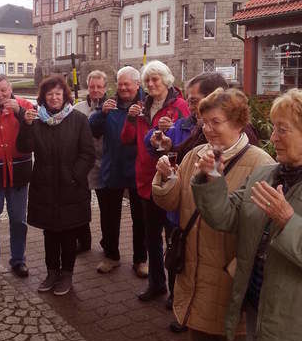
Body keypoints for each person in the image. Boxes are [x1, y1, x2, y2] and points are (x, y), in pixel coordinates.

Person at [153, 88, 274, 341]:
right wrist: (166, 177)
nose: (207, 128)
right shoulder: (194, 155)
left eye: (216, 122)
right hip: (195, 271)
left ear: (238, 123)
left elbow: (261, 228)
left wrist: (240, 268)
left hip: (231, 277)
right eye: (203, 121)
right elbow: (174, 201)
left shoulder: (261, 165)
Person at [191, 88, 302, 341]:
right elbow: (225, 216)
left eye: (283, 129)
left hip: (297, 321)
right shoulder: (267, 175)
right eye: (273, 128)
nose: (273, 137)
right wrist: (212, 179)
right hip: (260, 312)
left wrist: (289, 221)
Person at [144, 71, 230, 320]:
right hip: (184, 209)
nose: (191, 106)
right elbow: (175, 152)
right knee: (179, 255)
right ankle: (179, 302)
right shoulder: (192, 126)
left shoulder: (229, 135)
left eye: (195, 101)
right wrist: (165, 147)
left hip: (208, 217)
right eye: (190, 101)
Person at [17, 74, 95, 295]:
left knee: (69, 233)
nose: (54, 98)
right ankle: (52, 272)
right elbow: (24, 147)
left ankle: (66, 275)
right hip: (45, 186)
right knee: (50, 233)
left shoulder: (78, 119)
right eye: (49, 94)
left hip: (71, 187)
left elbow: (88, 154)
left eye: (58, 94)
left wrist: (74, 176)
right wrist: (26, 125)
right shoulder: (36, 120)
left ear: (65, 96)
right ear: (43, 97)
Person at [121, 60, 189, 301]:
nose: (151, 84)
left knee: (172, 239)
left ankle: (175, 291)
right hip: (146, 181)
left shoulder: (180, 106)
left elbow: (187, 143)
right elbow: (127, 139)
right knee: (152, 238)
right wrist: (130, 119)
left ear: (166, 80)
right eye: (148, 80)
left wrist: (172, 131)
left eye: (155, 79)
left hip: (168, 180)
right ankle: (156, 284)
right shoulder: (141, 107)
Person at [89, 66, 148, 277]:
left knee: (140, 218)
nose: (123, 88)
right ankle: (111, 255)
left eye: (127, 84)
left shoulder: (146, 104)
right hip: (112, 167)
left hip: (137, 169)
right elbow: (92, 129)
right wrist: (102, 114)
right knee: (109, 216)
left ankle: (141, 259)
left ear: (137, 85)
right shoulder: (110, 105)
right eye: (120, 84)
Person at [0, 74, 34, 279]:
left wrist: (20, 112)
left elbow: (35, 128)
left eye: (3, 90)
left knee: (19, 220)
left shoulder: (25, 105)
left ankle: (18, 260)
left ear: (10, 88)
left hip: (18, 173)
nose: (0, 94)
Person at [73, 70, 107, 253]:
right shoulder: (78, 108)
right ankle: (83, 240)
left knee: (106, 208)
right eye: (92, 86)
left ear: (105, 88)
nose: (95, 90)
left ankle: (107, 241)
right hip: (84, 164)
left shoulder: (111, 107)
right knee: (81, 204)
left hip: (104, 164)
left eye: (99, 87)